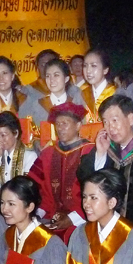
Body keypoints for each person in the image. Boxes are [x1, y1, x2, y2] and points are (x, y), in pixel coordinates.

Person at [77, 95, 133, 231]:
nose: (110, 128)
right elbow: (85, 179)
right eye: (105, 122)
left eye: (114, 120)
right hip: (105, 227)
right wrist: (100, 153)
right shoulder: (105, 147)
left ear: (130, 119)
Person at [27, 102, 94, 243]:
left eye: (65, 123)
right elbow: (35, 187)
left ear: (78, 126)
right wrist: (36, 214)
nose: (60, 128)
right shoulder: (48, 153)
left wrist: (72, 218)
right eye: (58, 124)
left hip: (83, 220)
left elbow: (98, 193)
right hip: (51, 217)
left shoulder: (90, 152)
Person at [17, 58, 85, 151]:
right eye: (48, 76)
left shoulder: (76, 104)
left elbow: (83, 131)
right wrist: (38, 146)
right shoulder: (35, 105)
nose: (51, 80)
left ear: (66, 79)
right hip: (44, 156)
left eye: (56, 75)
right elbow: (29, 134)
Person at [0, 112, 38, 203]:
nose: (0, 140)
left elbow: (27, 190)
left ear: (15, 133)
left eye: (3, 135)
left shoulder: (29, 156)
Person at [80, 49, 117, 123]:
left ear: (105, 70)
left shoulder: (116, 93)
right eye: (85, 66)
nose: (88, 71)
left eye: (93, 66)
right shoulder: (80, 94)